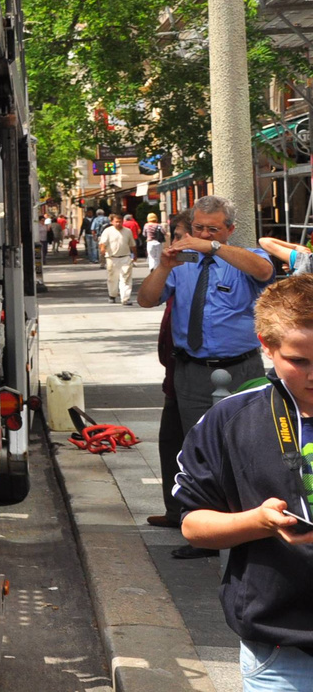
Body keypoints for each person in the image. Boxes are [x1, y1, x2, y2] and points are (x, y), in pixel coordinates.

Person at [172, 274, 313, 689]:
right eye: (299, 361)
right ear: (265, 346)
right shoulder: (230, 420)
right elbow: (193, 525)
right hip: (283, 652)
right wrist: (259, 522)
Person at [137, 194, 274, 558]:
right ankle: (204, 527)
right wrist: (164, 266)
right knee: (196, 447)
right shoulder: (183, 263)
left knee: (244, 443)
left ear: (229, 230)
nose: (200, 234)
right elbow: (147, 299)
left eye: (212, 229)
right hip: (193, 370)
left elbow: (263, 272)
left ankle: (242, 522)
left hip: (240, 367)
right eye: (197, 227)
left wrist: (213, 247)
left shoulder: (245, 259)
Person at [148, 210, 193, 530]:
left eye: (177, 236)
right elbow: (146, 298)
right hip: (175, 371)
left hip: (199, 371)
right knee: (170, 442)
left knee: (194, 445)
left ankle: (196, 516)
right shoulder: (177, 270)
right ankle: (175, 509)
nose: (172, 243)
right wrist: (164, 267)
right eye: (172, 236)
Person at [100, 212, 137, 305]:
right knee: (112, 278)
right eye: (116, 222)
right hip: (112, 258)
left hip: (125, 257)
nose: (118, 224)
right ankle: (112, 295)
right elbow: (102, 243)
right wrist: (103, 250)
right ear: (112, 222)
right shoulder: (107, 231)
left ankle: (125, 298)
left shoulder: (127, 231)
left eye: (120, 222)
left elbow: (132, 244)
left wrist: (135, 255)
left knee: (126, 278)